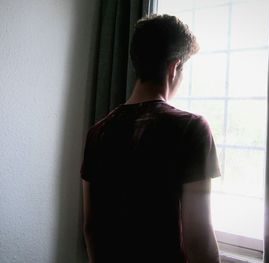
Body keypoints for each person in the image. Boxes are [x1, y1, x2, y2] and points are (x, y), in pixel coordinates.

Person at [80, 14, 221, 263]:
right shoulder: (192, 128)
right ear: (174, 67)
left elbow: (91, 227)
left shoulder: (97, 132)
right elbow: (197, 239)